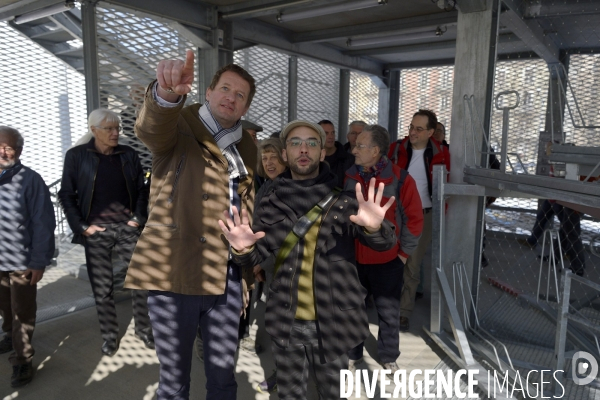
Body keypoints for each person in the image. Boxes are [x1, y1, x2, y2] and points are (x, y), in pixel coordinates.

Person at [220, 119, 397, 400]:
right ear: (285, 154)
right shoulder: (271, 200)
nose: (304, 149)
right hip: (286, 321)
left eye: (312, 143)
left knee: (332, 394)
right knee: (290, 395)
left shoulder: (344, 200)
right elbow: (256, 258)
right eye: (295, 143)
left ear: (322, 152)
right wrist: (241, 251)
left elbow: (383, 243)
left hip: (335, 323)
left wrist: (374, 228)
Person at [124, 50, 258, 400]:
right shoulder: (179, 122)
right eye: (225, 88)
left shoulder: (247, 145)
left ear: (244, 108)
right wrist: (166, 95)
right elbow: (150, 129)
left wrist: (246, 256)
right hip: (174, 273)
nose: (231, 97)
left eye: (240, 95)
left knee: (224, 379)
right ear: (210, 92)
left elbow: (245, 204)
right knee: (173, 383)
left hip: (225, 278)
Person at [58, 109, 152, 356]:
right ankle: (110, 336)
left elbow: (142, 190)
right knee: (103, 288)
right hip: (96, 232)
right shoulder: (77, 156)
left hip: (127, 228)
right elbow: (66, 194)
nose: (115, 132)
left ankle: (144, 329)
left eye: (117, 128)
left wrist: (137, 219)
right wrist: (82, 227)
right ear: (93, 130)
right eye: (109, 128)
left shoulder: (128, 154)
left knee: (141, 282)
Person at [345, 124, 423, 373]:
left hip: (388, 261)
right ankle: (352, 353)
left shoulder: (400, 179)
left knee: (388, 313)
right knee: (353, 309)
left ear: (376, 150)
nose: (354, 150)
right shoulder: (349, 176)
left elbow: (414, 219)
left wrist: (403, 254)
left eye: (360, 145)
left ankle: (389, 355)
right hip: (354, 259)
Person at [0, 126, 56, 387]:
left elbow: (43, 223)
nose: (3, 151)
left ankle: (22, 360)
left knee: (22, 311)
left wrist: (38, 261)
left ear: (19, 151)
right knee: (5, 308)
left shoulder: (30, 180)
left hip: (21, 262)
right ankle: (9, 336)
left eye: (9, 147)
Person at [389, 109, 450, 332]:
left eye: (419, 129)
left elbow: (446, 185)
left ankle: (403, 312)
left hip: (423, 216)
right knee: (389, 261)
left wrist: (439, 214)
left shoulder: (440, 153)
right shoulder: (397, 149)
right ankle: (386, 305)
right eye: (411, 127)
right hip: (395, 214)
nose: (413, 132)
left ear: (431, 132)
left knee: (412, 266)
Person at [318, 119, 353, 186]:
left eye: (333, 133)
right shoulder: (313, 158)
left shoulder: (349, 159)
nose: (331, 137)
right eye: (326, 133)